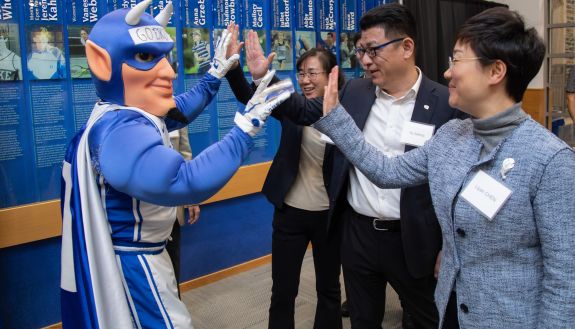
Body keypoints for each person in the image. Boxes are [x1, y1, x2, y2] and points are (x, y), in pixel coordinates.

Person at [315, 7, 575, 329]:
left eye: (457, 60)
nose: (448, 72)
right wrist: (338, 123)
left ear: (495, 71)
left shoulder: (551, 161)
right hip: (450, 311)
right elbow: (387, 171)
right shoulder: (452, 136)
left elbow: (565, 279)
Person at [59, 1, 291, 328]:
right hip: (134, 265)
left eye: (164, 56)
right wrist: (247, 125)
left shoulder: (126, 115)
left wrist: (215, 72)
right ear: (101, 62)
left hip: (147, 253)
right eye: (145, 57)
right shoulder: (119, 132)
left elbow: (179, 109)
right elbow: (182, 181)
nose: (168, 70)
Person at [243, 3, 465, 328]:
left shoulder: (446, 103)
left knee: (425, 320)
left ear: (407, 47)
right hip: (358, 235)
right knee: (362, 320)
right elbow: (302, 110)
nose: (364, 60)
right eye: (361, 50)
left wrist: (449, 244)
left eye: (373, 50)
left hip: (415, 239)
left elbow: (456, 182)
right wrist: (266, 78)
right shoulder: (355, 92)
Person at [227, 33, 345, 328]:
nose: (305, 80)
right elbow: (248, 96)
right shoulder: (293, 109)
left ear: (331, 76)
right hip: (290, 212)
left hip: (329, 217)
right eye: (301, 73)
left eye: (312, 73)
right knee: (283, 290)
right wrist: (232, 67)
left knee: (328, 289)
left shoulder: (344, 114)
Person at [166, 127, 201, 297]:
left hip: (171, 207)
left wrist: (190, 198)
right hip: (142, 212)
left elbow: (185, 158)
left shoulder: (174, 115)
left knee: (173, 264)